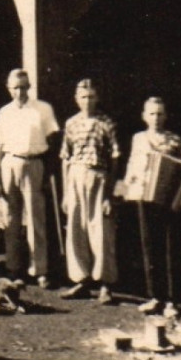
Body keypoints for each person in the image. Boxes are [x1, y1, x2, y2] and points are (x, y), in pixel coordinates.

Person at [123, 96, 181, 318]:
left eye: (160, 113)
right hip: (144, 196)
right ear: (144, 116)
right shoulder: (138, 138)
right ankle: (155, 297)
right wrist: (130, 181)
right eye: (152, 113)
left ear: (166, 116)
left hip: (168, 199)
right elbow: (132, 164)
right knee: (149, 246)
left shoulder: (174, 140)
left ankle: (172, 299)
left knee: (170, 248)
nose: (156, 118)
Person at [0, 69, 59, 287]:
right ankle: (13, 269)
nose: (19, 91)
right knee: (10, 219)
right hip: (9, 163)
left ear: (29, 86)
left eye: (23, 87)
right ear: (8, 88)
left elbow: (53, 143)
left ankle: (39, 270)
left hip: (34, 164)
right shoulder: (4, 112)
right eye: (15, 87)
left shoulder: (42, 109)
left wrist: (47, 174)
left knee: (35, 219)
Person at [60, 79, 120, 304]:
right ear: (77, 99)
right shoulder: (71, 123)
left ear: (98, 98)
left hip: (99, 176)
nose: (87, 101)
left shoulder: (106, 123)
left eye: (92, 97)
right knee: (76, 228)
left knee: (101, 230)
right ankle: (81, 280)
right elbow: (65, 157)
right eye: (83, 97)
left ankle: (105, 284)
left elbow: (115, 159)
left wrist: (109, 194)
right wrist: (66, 192)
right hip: (76, 175)